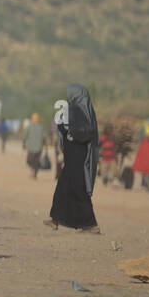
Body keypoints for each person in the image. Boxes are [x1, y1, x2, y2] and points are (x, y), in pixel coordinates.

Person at [45, 84, 100, 233]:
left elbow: (73, 132)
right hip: (74, 156)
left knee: (78, 190)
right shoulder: (86, 111)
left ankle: (91, 224)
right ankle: (55, 219)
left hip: (77, 157)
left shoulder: (75, 110)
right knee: (63, 187)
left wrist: (63, 128)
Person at [23, 113, 46, 179]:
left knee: (31, 160)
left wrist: (23, 144)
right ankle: (33, 171)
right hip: (37, 147)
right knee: (34, 161)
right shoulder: (32, 126)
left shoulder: (38, 126)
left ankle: (34, 173)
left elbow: (24, 136)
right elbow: (44, 138)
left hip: (33, 147)